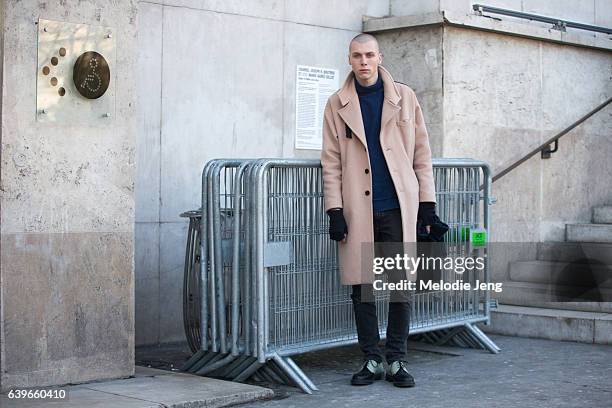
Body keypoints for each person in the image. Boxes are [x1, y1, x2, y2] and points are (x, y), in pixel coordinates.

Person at [320, 33, 438, 388]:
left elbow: (422, 152)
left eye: (369, 55)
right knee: (363, 286)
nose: (364, 62)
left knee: (401, 286)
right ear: (350, 60)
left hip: (398, 207)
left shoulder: (405, 97)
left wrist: (427, 204)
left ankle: (397, 359)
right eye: (357, 56)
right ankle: (371, 359)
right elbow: (331, 163)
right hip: (358, 208)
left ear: (380, 57)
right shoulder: (336, 104)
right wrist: (335, 210)